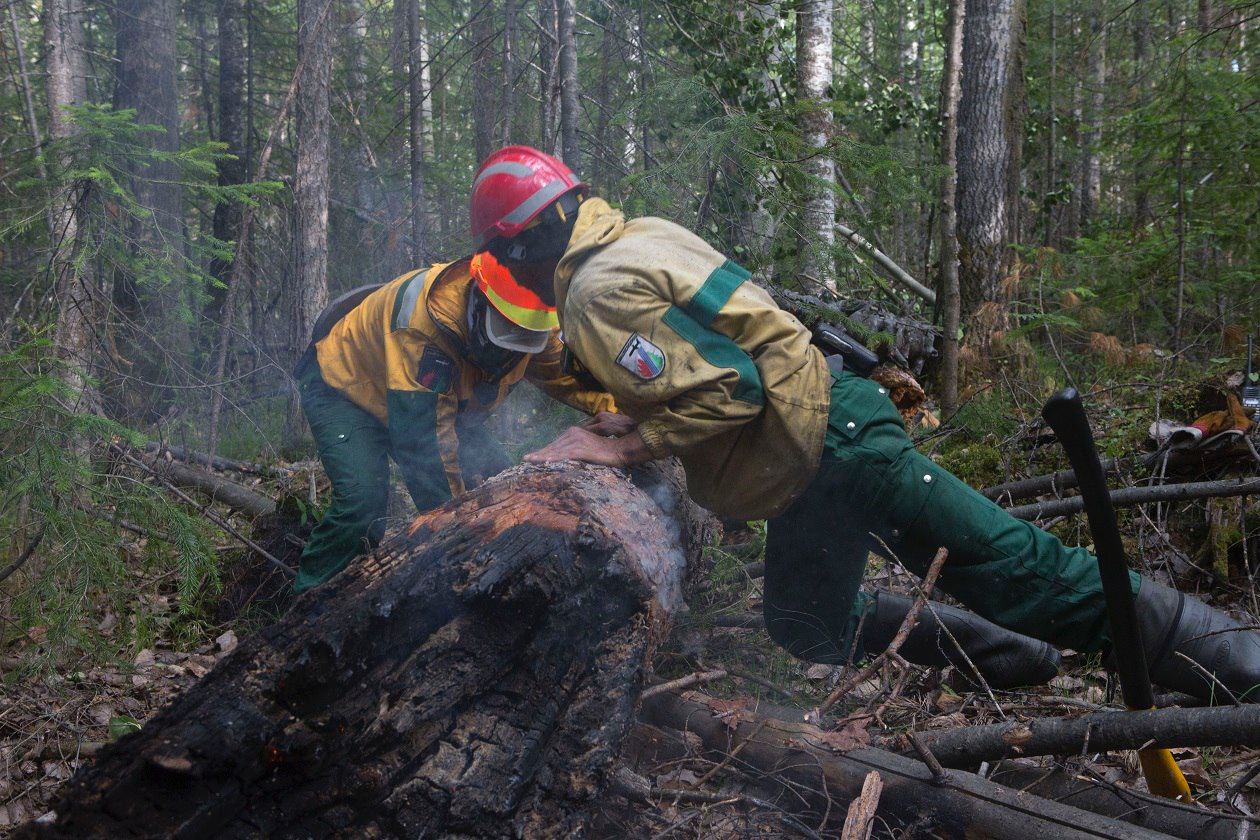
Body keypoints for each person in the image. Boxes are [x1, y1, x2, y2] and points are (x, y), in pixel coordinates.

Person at [466, 144, 1260, 701]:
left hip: (836, 444)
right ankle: (1018, 657)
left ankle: (1242, 672)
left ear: (528, 239)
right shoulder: (634, 237)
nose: (512, 276)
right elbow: (710, 358)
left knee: (1030, 573)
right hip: (814, 462)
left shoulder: (592, 293)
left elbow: (733, 391)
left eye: (505, 258)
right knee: (803, 624)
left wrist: (630, 442)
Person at [293, 224, 614, 592]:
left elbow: (571, 378)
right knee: (362, 508)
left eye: (527, 341)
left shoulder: (531, 315)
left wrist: (623, 414)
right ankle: (305, 606)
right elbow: (424, 449)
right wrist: (463, 538)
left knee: (501, 483)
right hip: (345, 388)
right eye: (509, 337)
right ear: (480, 306)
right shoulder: (425, 330)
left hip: (426, 400)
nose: (517, 351)